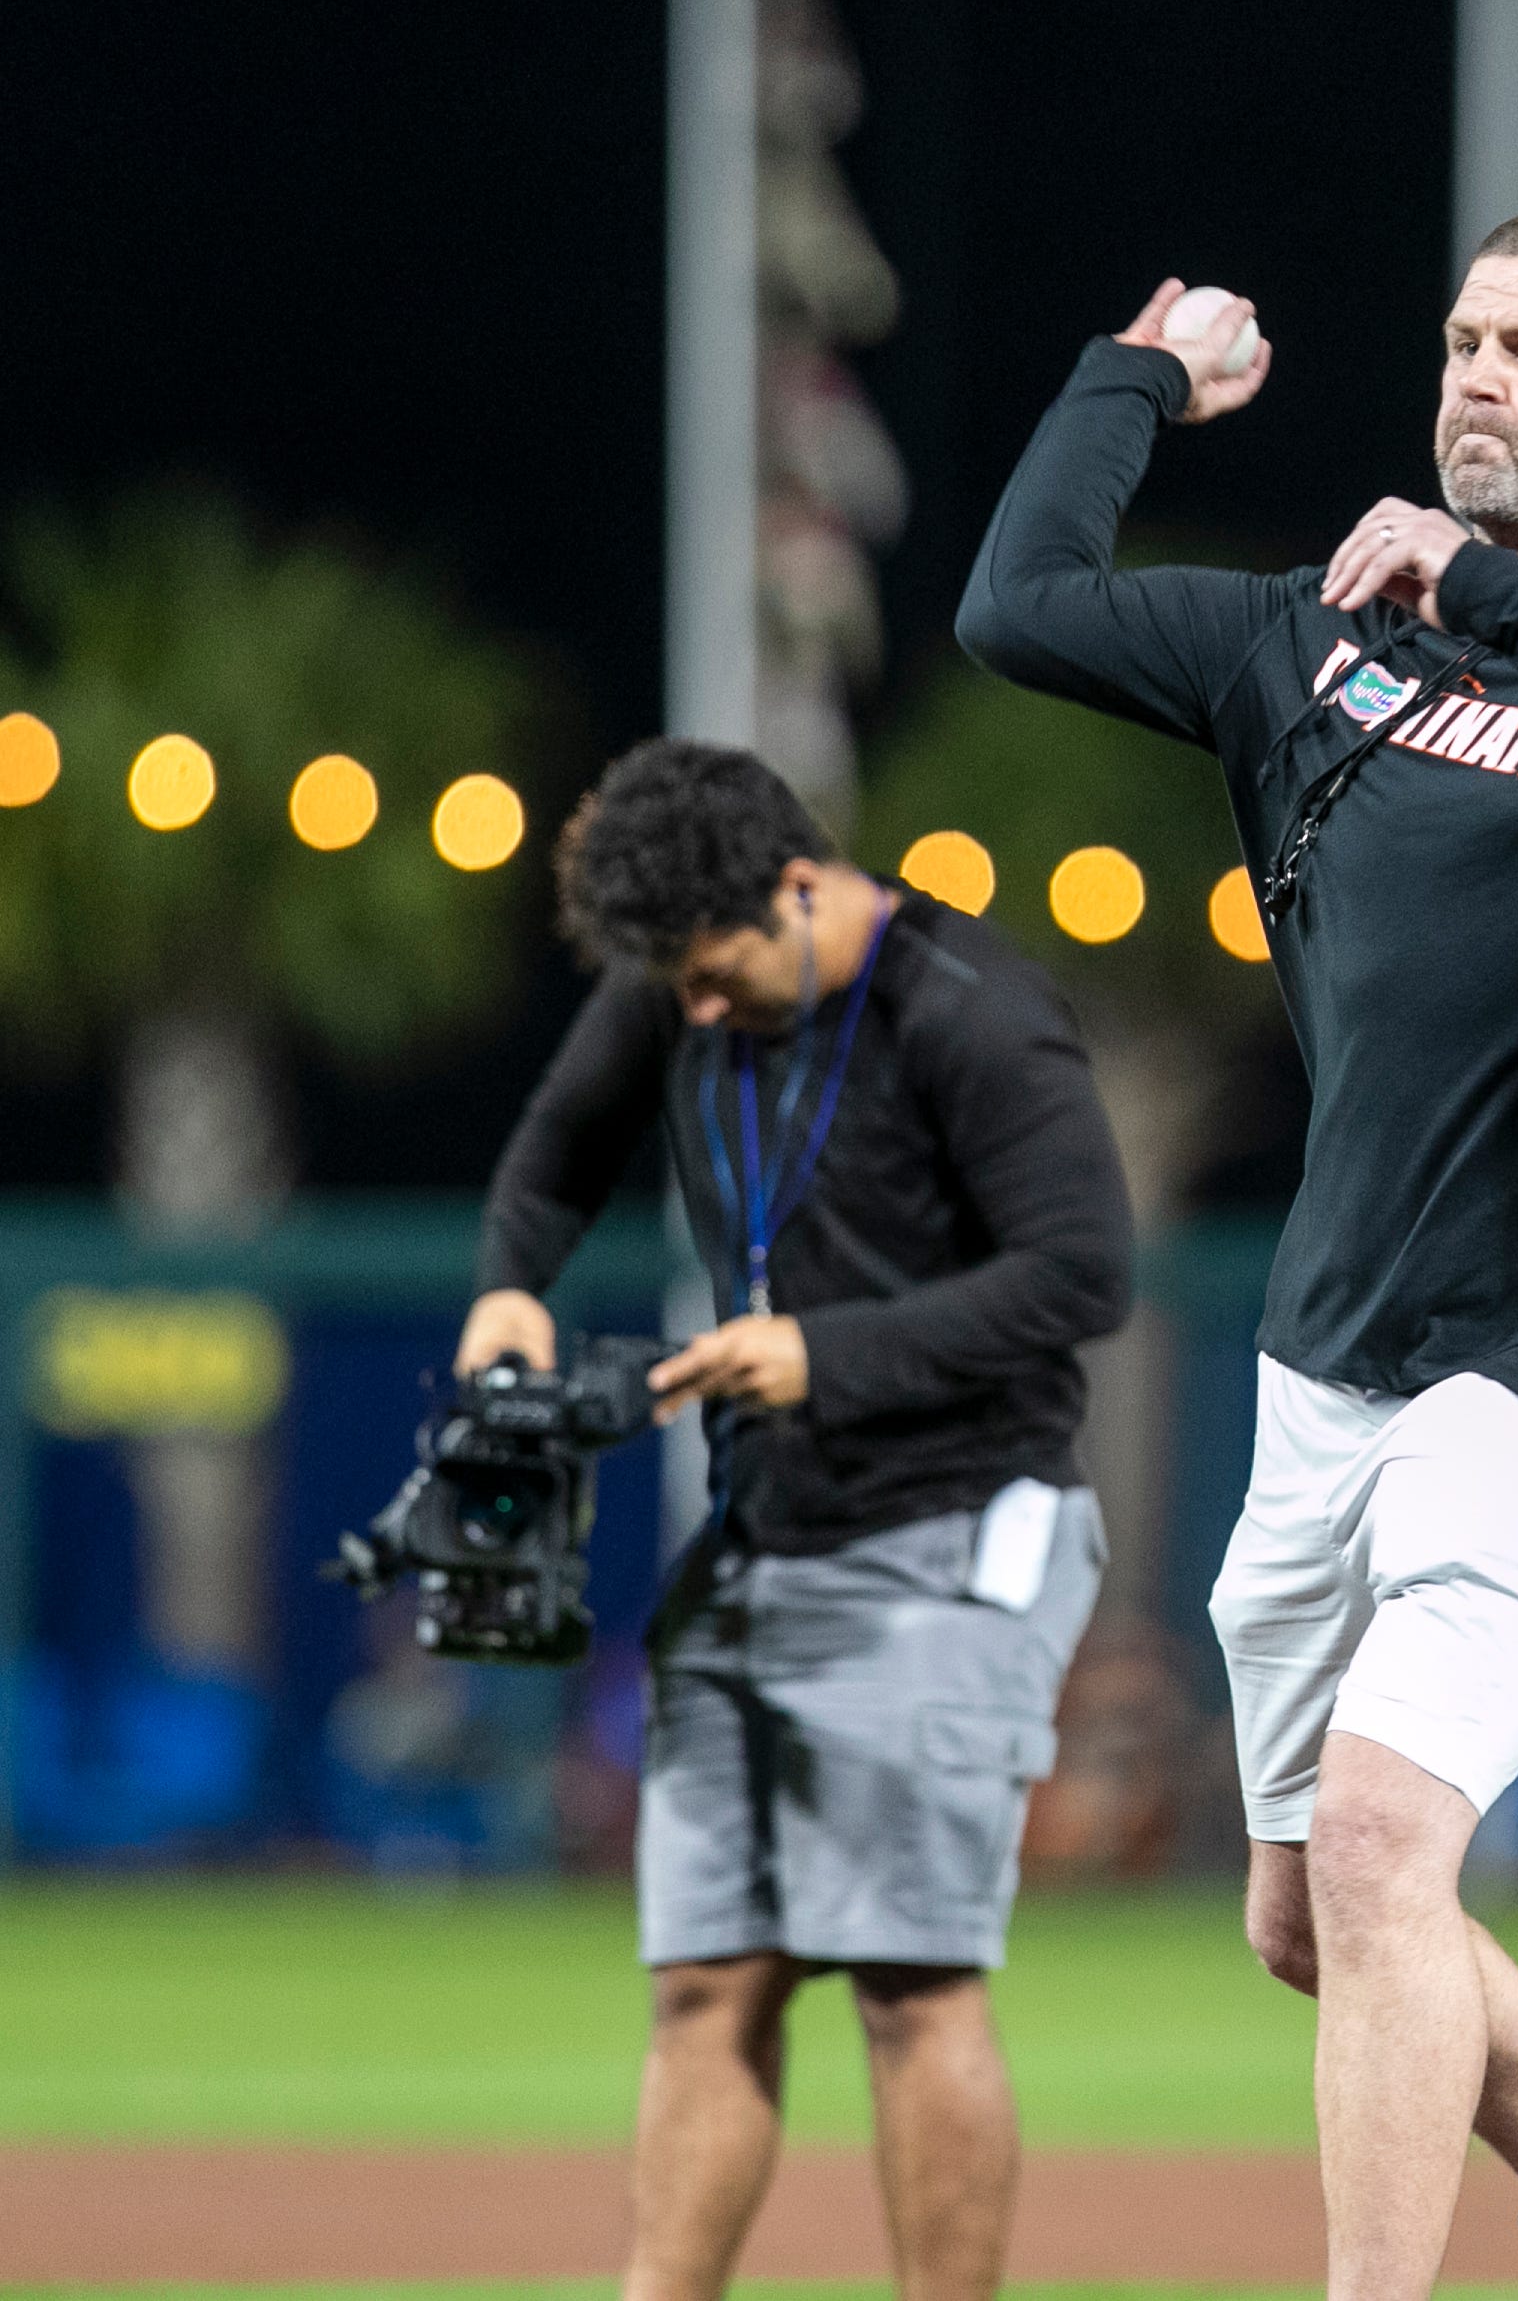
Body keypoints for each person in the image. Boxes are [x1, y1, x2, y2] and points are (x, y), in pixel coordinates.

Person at [957, 210, 1518, 2301]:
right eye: (1460, 337)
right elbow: (1021, 606)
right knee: (1308, 1914)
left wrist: (1498, 599)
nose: (1474, 376)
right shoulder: (1316, 639)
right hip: (1331, 1351)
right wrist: (1136, 380)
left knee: (1377, 1852)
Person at [459, 739, 1133, 2301]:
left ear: (797, 883)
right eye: (670, 984)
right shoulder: (685, 977)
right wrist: (510, 1287)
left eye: (711, 973)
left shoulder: (970, 1012)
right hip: (769, 1539)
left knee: (909, 1980)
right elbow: (558, 1151)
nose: (691, 1009)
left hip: (958, 1530)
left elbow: (1083, 1275)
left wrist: (827, 1353)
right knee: (704, 1983)